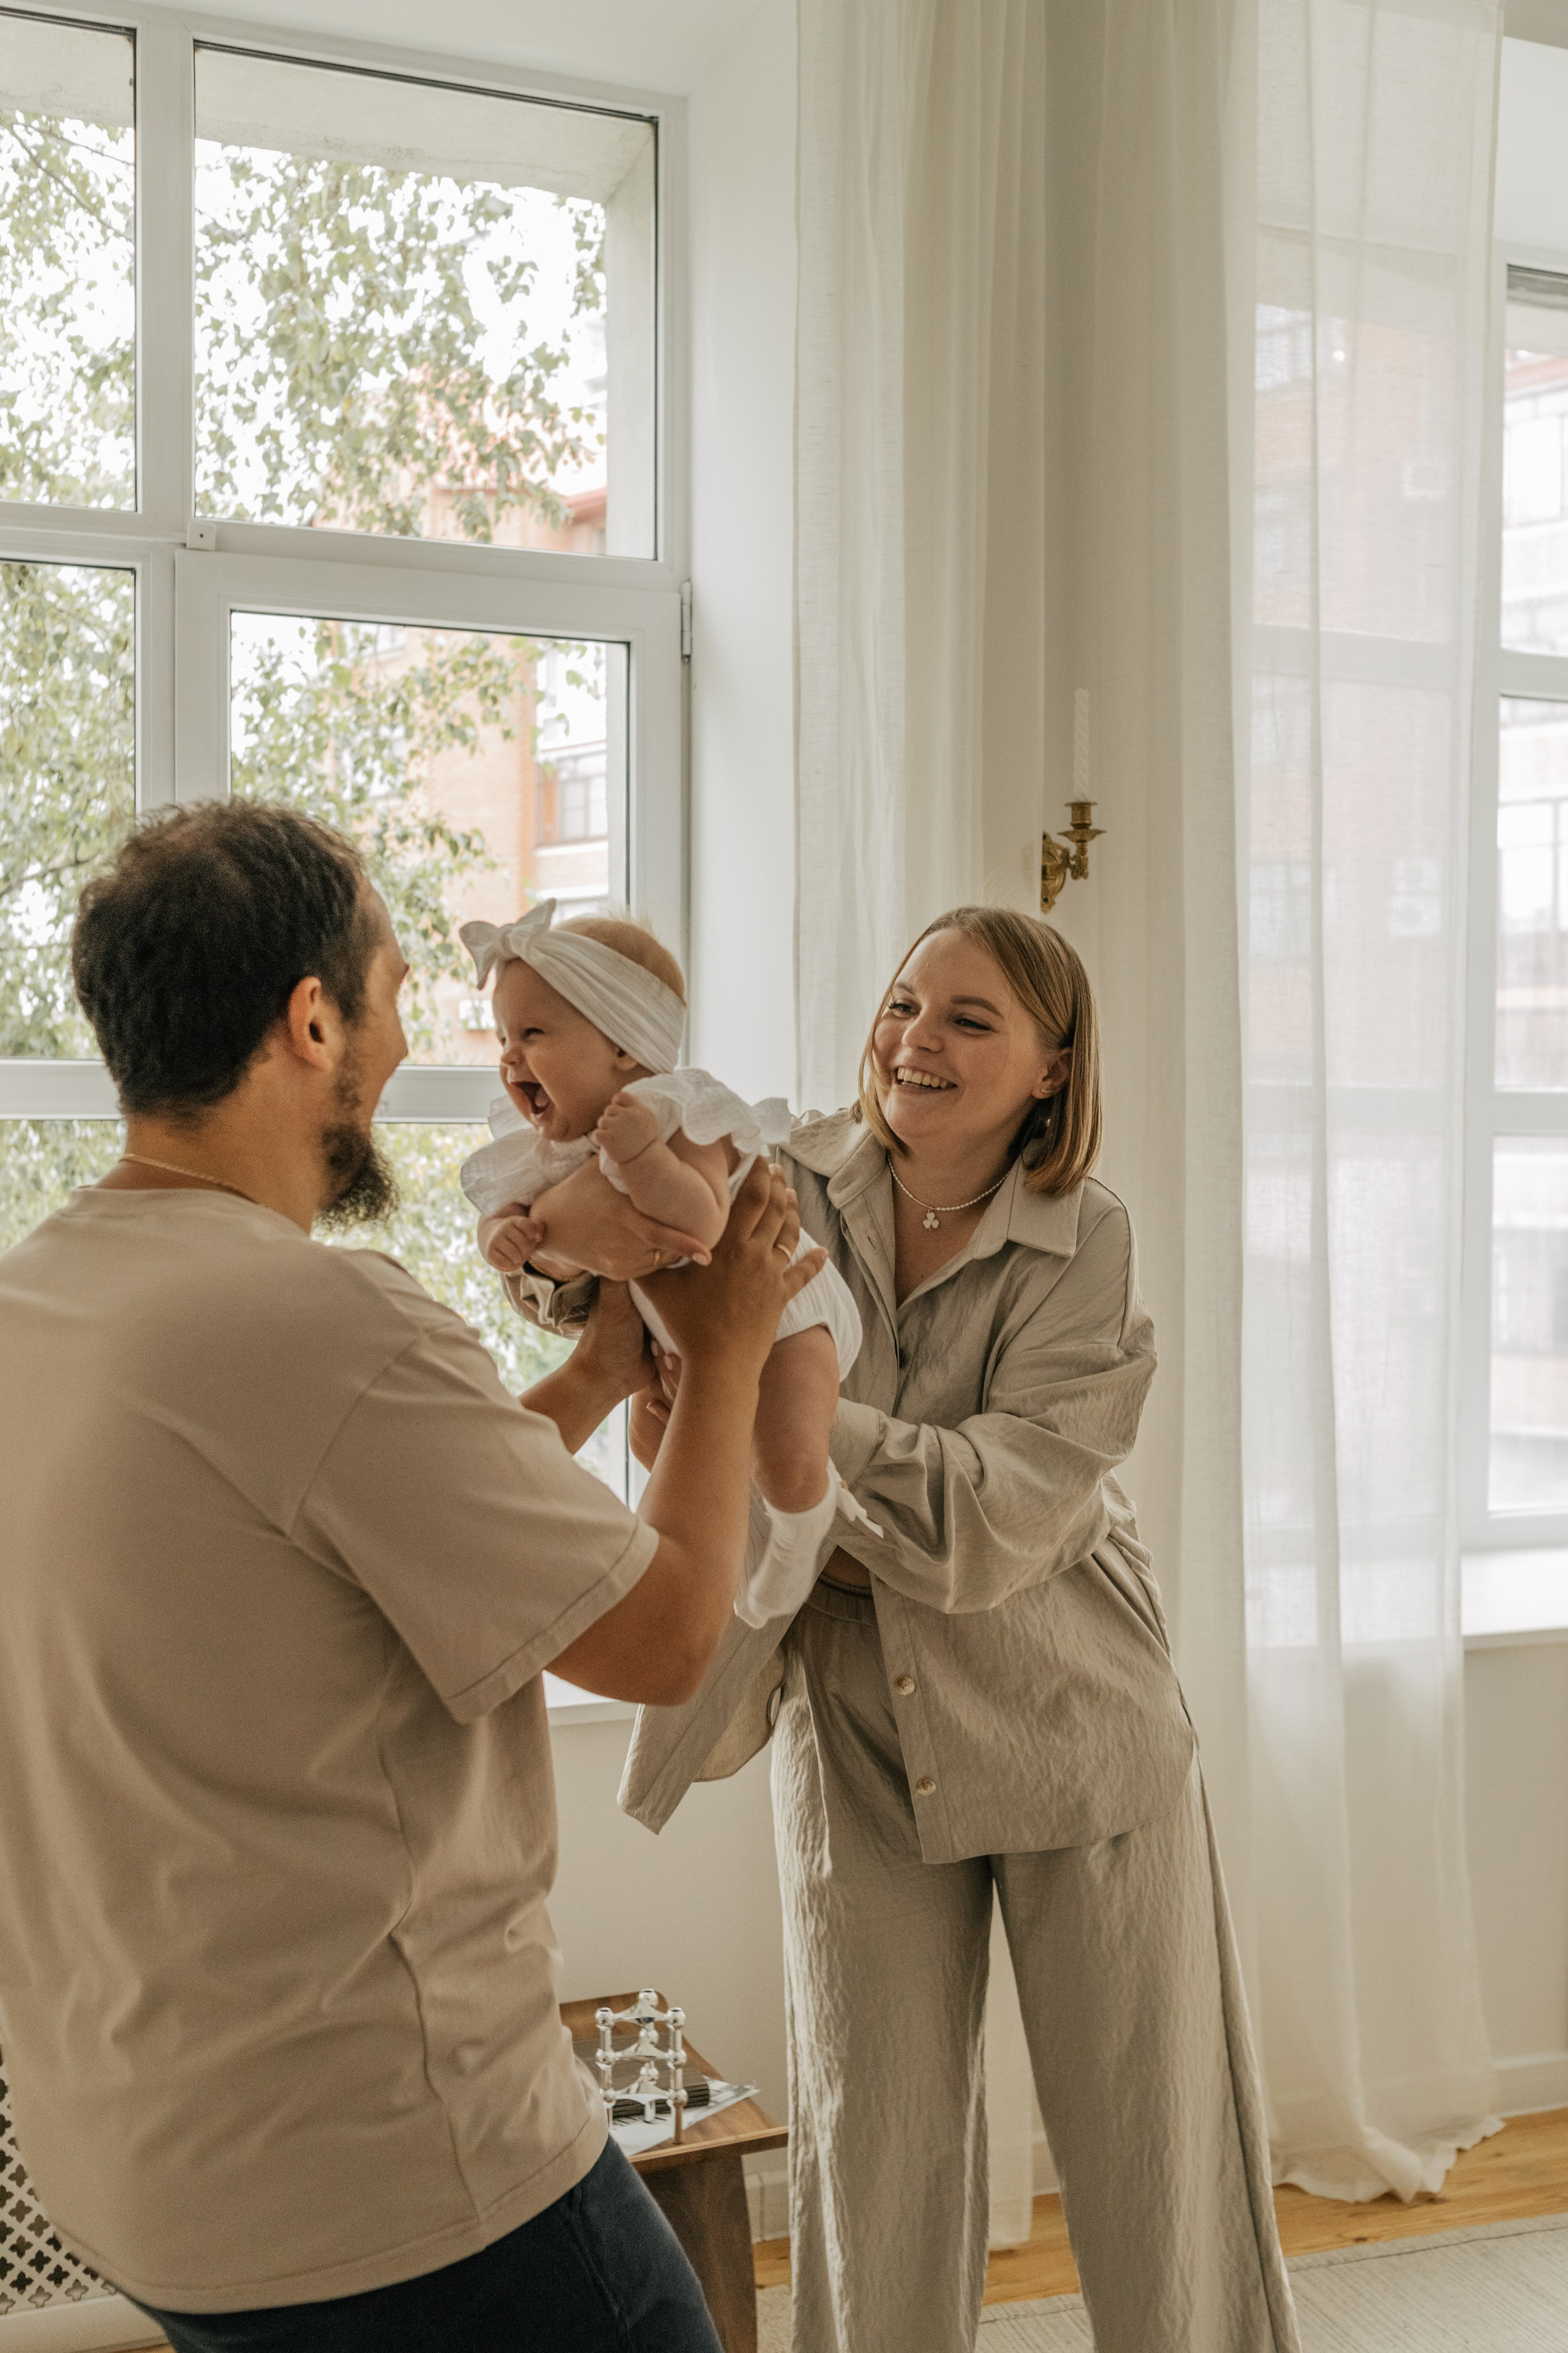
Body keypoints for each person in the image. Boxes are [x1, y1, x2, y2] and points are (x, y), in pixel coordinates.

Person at [0, 799, 821, 2353]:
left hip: (150, 2173)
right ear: (309, 1020)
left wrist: (590, 1376)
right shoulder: (326, 1324)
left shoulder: (38, 1301)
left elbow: (325, 1526)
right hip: (402, 2184)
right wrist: (716, 1360)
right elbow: (661, 1633)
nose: (407, 1043)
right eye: (387, 994)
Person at [519, 907, 1301, 2353]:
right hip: (851, 1698)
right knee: (867, 2137)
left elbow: (1006, 1503)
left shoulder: (1091, 1236)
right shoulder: (783, 1173)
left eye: (965, 1018)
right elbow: (641, 1261)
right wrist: (579, 1265)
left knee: (1151, 2148)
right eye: (900, 1003)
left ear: (1053, 1066)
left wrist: (792, 1406)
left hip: (1069, 1703)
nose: (911, 1038)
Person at [455, 897, 870, 1620]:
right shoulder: (550, 1151)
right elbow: (508, 1227)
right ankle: (746, 1551)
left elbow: (702, 1221)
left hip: (787, 1311)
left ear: (622, 1046)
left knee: (789, 1451)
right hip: (688, 1340)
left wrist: (642, 1156)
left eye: (531, 1033)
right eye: (501, 1038)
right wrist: (506, 1239)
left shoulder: (679, 1112)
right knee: (678, 1452)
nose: (508, 1057)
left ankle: (807, 1524)